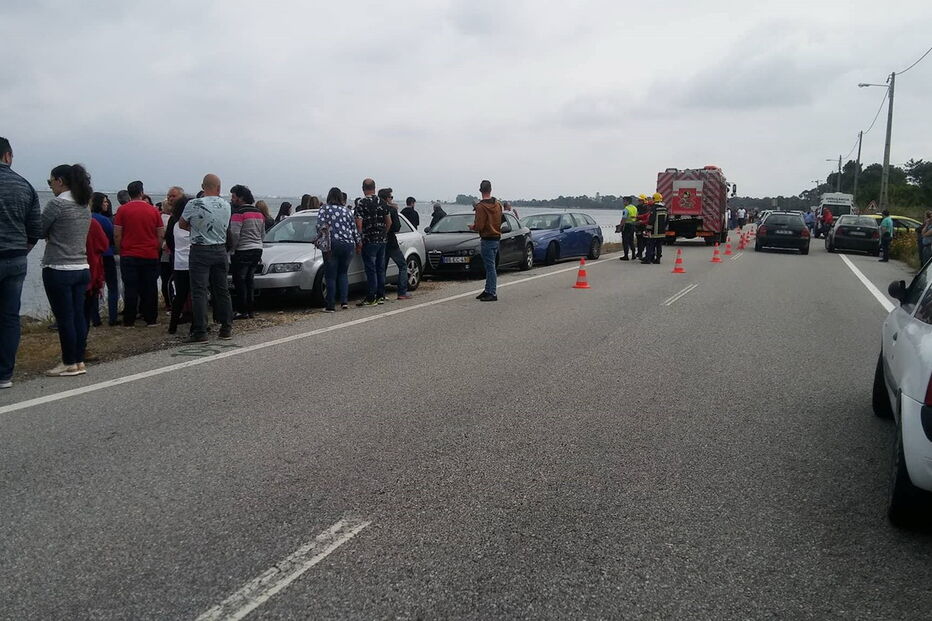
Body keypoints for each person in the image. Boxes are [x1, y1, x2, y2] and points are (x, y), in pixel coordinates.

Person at [41, 164, 94, 377]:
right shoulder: (85, 205)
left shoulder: (57, 204)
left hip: (58, 266)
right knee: (78, 316)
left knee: (64, 317)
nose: (51, 185)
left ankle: (68, 361)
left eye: (50, 181)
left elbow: (39, 228)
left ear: (60, 181)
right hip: (81, 266)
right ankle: (78, 359)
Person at [0, 137, 42, 388]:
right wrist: (21, 251)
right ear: (8, 156)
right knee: (9, 317)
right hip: (15, 257)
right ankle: (4, 374)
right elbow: (34, 229)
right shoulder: (24, 185)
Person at [180, 174, 233, 342]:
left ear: (203, 186)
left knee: (199, 291)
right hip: (220, 249)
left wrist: (197, 230)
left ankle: (201, 331)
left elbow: (182, 223)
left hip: (200, 250)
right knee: (222, 290)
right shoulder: (226, 205)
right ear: (219, 188)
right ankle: (226, 327)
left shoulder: (194, 204)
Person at [114, 180, 163, 326]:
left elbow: (117, 234)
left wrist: (120, 250)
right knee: (150, 287)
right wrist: (157, 248)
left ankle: (129, 319)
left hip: (129, 254)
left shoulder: (122, 210)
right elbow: (160, 234)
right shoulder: (153, 210)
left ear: (129, 194)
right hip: (149, 253)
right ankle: (151, 318)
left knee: (130, 287)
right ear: (142, 192)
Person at [317, 187, 361, 312]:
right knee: (343, 273)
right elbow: (353, 229)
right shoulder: (346, 210)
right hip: (348, 244)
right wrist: (358, 243)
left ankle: (330, 304)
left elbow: (320, 226)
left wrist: (318, 239)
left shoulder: (324, 209)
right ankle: (344, 301)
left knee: (330, 276)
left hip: (332, 244)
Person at [229, 184, 265, 319]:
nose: (232, 199)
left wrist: (232, 249)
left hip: (243, 249)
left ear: (241, 198)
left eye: (233, 196)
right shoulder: (259, 213)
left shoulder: (239, 213)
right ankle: (251, 309)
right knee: (250, 280)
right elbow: (262, 234)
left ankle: (242, 310)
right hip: (257, 249)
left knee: (240, 281)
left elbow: (235, 234)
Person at [354, 178, 391, 306]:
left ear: (363, 189)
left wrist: (359, 240)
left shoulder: (361, 203)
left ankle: (371, 297)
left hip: (369, 239)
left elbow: (359, 224)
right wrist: (383, 233)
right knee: (380, 268)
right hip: (382, 239)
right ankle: (381, 295)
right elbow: (389, 221)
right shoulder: (382, 202)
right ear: (374, 188)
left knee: (371, 269)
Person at [89, 193, 119, 326]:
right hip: (106, 255)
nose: (107, 204)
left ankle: (95, 318)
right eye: (105, 202)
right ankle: (113, 317)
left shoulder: (87, 218)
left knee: (94, 287)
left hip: (91, 256)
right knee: (113, 287)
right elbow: (112, 237)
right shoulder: (104, 220)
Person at [471, 180, 503, 302]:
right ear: (490, 190)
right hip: (496, 238)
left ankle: (492, 292)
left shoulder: (480, 207)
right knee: (491, 266)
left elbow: (479, 225)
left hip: (487, 238)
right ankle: (488, 289)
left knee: (490, 267)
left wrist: (473, 227)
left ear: (480, 190)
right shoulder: (498, 205)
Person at [165, 196, 192, 335]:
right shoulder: (192, 224)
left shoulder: (174, 223)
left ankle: (173, 326)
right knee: (196, 294)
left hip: (179, 262)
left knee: (180, 295)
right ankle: (197, 324)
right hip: (193, 263)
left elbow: (169, 240)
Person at [379, 188, 411, 301]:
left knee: (382, 268)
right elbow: (397, 226)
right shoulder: (392, 210)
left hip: (380, 241)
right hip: (391, 242)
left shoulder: (377, 208)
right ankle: (402, 292)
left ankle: (380, 294)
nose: (392, 199)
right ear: (387, 198)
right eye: (391, 197)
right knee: (402, 265)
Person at [159, 186, 183, 310]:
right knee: (167, 279)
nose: (170, 199)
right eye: (169, 196)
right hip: (167, 253)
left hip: (181, 254)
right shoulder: (162, 217)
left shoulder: (183, 216)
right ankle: (170, 304)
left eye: (173, 196)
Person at [84, 216, 109, 334]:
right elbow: (104, 244)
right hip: (90, 267)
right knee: (88, 300)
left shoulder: (60, 219)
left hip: (64, 268)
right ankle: (81, 344)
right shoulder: (92, 222)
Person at [641, 193, 668, 265]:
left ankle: (648, 259)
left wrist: (648, 229)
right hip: (662, 232)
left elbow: (652, 220)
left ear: (654, 199)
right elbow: (666, 220)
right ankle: (658, 259)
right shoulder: (665, 208)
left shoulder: (654, 208)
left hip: (654, 231)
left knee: (650, 245)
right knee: (659, 246)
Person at [619, 196, 637, 261]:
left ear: (627, 201)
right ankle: (633, 255)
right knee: (631, 240)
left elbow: (624, 218)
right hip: (633, 225)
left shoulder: (626, 209)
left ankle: (626, 256)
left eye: (624, 201)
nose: (623, 202)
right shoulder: (634, 208)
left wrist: (620, 226)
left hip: (627, 226)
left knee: (625, 241)